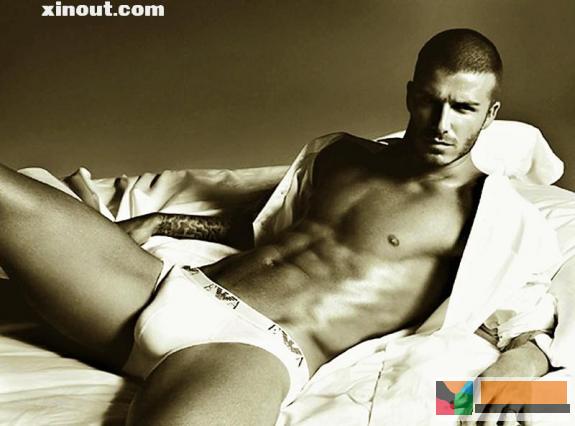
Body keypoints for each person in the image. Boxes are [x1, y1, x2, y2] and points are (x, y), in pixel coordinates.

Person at [0, 29, 550, 425]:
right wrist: (163, 221)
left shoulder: (494, 215)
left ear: (491, 113)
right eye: (430, 102)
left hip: (250, 352)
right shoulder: (340, 156)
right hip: (167, 289)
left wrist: (531, 360)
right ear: (411, 95)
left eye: (463, 108)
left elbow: (527, 312)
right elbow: (264, 227)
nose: (441, 123)